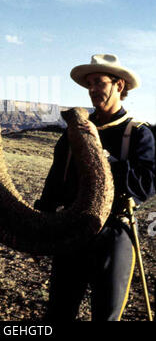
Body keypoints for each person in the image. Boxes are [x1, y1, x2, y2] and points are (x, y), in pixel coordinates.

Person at [34, 54, 155, 321]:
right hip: (70, 228)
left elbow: (145, 185)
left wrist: (103, 157)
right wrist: (41, 224)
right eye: (89, 85)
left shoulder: (137, 133)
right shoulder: (74, 131)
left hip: (114, 233)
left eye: (99, 83)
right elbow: (55, 182)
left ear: (119, 86)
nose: (92, 91)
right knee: (58, 311)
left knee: (106, 314)